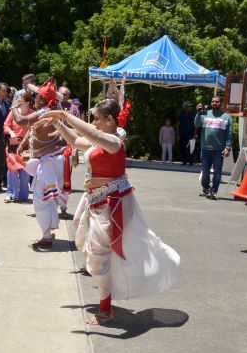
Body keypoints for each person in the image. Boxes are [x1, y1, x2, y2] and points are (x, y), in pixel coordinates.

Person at [41, 99, 180, 325]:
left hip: (112, 203)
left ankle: (105, 309)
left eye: (96, 118)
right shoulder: (99, 142)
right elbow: (76, 140)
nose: (94, 122)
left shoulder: (114, 142)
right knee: (84, 236)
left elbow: (92, 134)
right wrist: (58, 123)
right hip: (97, 200)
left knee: (98, 255)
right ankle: (104, 279)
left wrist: (65, 115)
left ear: (110, 120)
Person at [12, 76, 70, 249]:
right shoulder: (52, 109)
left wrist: (14, 105)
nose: (33, 97)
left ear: (42, 99)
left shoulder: (44, 111)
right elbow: (33, 129)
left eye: (36, 95)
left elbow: (20, 121)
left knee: (40, 199)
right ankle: (48, 232)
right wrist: (23, 144)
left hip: (49, 162)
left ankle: (46, 237)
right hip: (52, 160)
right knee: (47, 199)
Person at [195, 96, 233, 200]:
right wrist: (198, 113)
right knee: (205, 171)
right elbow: (197, 124)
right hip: (205, 148)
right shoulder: (205, 113)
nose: (214, 103)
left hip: (219, 150)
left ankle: (214, 190)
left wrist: (228, 147)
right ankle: (206, 187)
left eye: (217, 101)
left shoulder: (227, 117)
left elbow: (229, 134)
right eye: (213, 101)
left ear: (221, 103)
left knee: (218, 172)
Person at [3, 93, 32, 203]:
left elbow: (33, 128)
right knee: (12, 170)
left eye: (20, 101)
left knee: (25, 172)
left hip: (26, 146)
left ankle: (23, 195)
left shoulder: (32, 114)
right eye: (17, 100)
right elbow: (6, 124)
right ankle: (10, 194)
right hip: (12, 144)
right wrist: (11, 133)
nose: (18, 102)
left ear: (27, 103)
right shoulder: (13, 112)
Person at [177, 102, 196, 166]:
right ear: (185, 107)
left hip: (191, 134)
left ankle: (191, 162)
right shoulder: (181, 114)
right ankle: (184, 161)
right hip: (182, 134)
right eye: (189, 106)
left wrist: (194, 135)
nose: (190, 107)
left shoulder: (194, 114)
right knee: (183, 148)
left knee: (191, 148)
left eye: (191, 106)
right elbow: (178, 124)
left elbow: (195, 125)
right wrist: (178, 134)